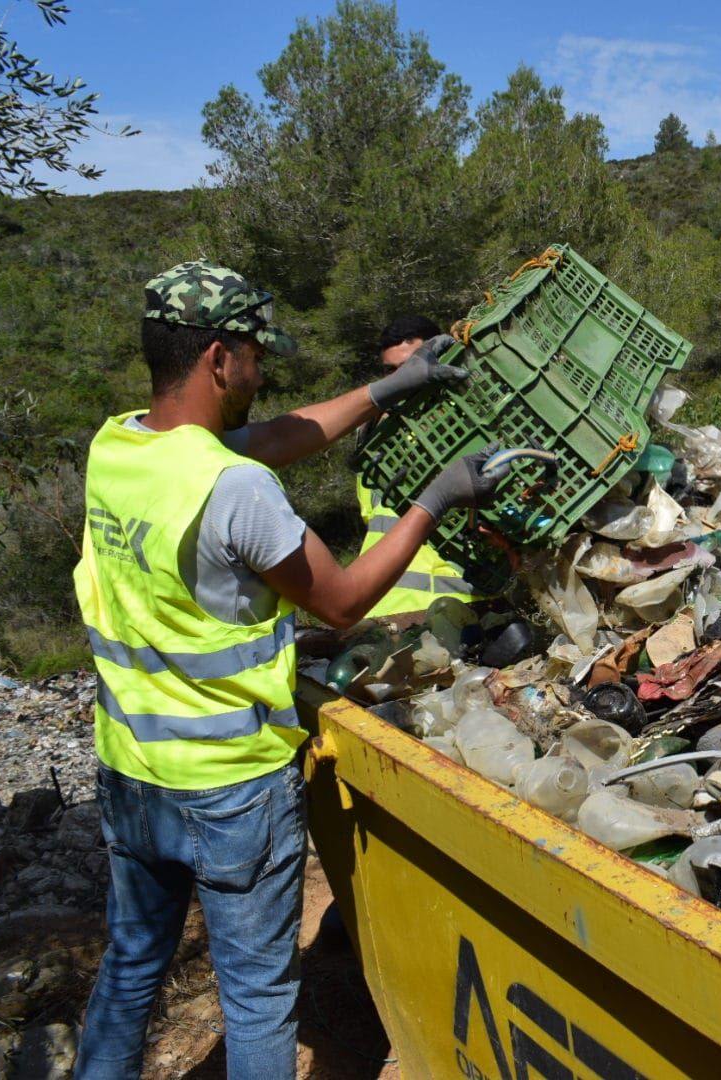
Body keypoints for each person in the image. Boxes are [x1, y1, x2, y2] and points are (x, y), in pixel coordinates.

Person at [72, 261, 511, 1079]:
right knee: (260, 1000)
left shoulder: (119, 445)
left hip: (132, 771)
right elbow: (342, 602)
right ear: (218, 357)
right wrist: (436, 498)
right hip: (229, 786)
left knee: (132, 970)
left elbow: (274, 436)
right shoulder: (235, 488)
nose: (260, 369)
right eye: (254, 354)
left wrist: (389, 389)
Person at [352, 315, 479, 616]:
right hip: (387, 612)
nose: (402, 381)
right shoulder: (372, 437)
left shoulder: (464, 422)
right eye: (392, 372)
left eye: (410, 367)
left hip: (465, 605)